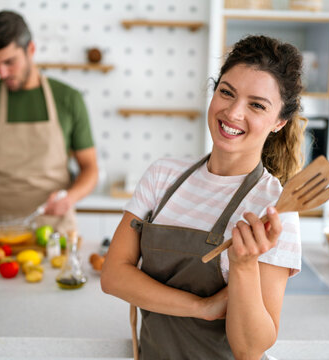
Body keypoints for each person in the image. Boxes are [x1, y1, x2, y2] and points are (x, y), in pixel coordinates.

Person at [100, 35, 304, 360]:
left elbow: (250, 348)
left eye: (256, 105)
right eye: (227, 92)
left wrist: (244, 266)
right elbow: (113, 276)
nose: (234, 113)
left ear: (279, 122)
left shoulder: (274, 209)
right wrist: (202, 307)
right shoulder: (162, 177)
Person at [0, 11, 98, 232]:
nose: (1, 73)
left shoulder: (69, 99)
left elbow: (90, 168)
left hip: (55, 231)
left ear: (30, 49)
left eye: (9, 62)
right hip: (1, 229)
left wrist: (70, 198)